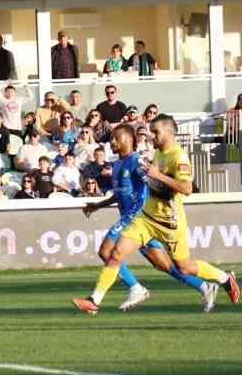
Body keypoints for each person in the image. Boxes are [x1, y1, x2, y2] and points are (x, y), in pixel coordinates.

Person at [74, 117, 239, 314]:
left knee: (183, 266)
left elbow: (186, 188)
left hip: (169, 222)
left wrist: (156, 175)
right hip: (146, 218)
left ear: (169, 132)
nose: (152, 136)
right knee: (114, 253)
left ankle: (223, 279)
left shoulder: (179, 157)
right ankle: (95, 300)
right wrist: (99, 205)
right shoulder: (158, 154)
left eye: (156, 132)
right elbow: (134, 188)